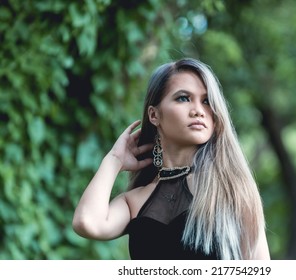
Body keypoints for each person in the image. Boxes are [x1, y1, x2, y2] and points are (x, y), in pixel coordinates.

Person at [72, 58, 270, 260]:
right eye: (184, 98)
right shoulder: (135, 200)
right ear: (154, 115)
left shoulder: (232, 190)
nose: (198, 111)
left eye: (206, 101)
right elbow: (87, 222)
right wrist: (114, 160)